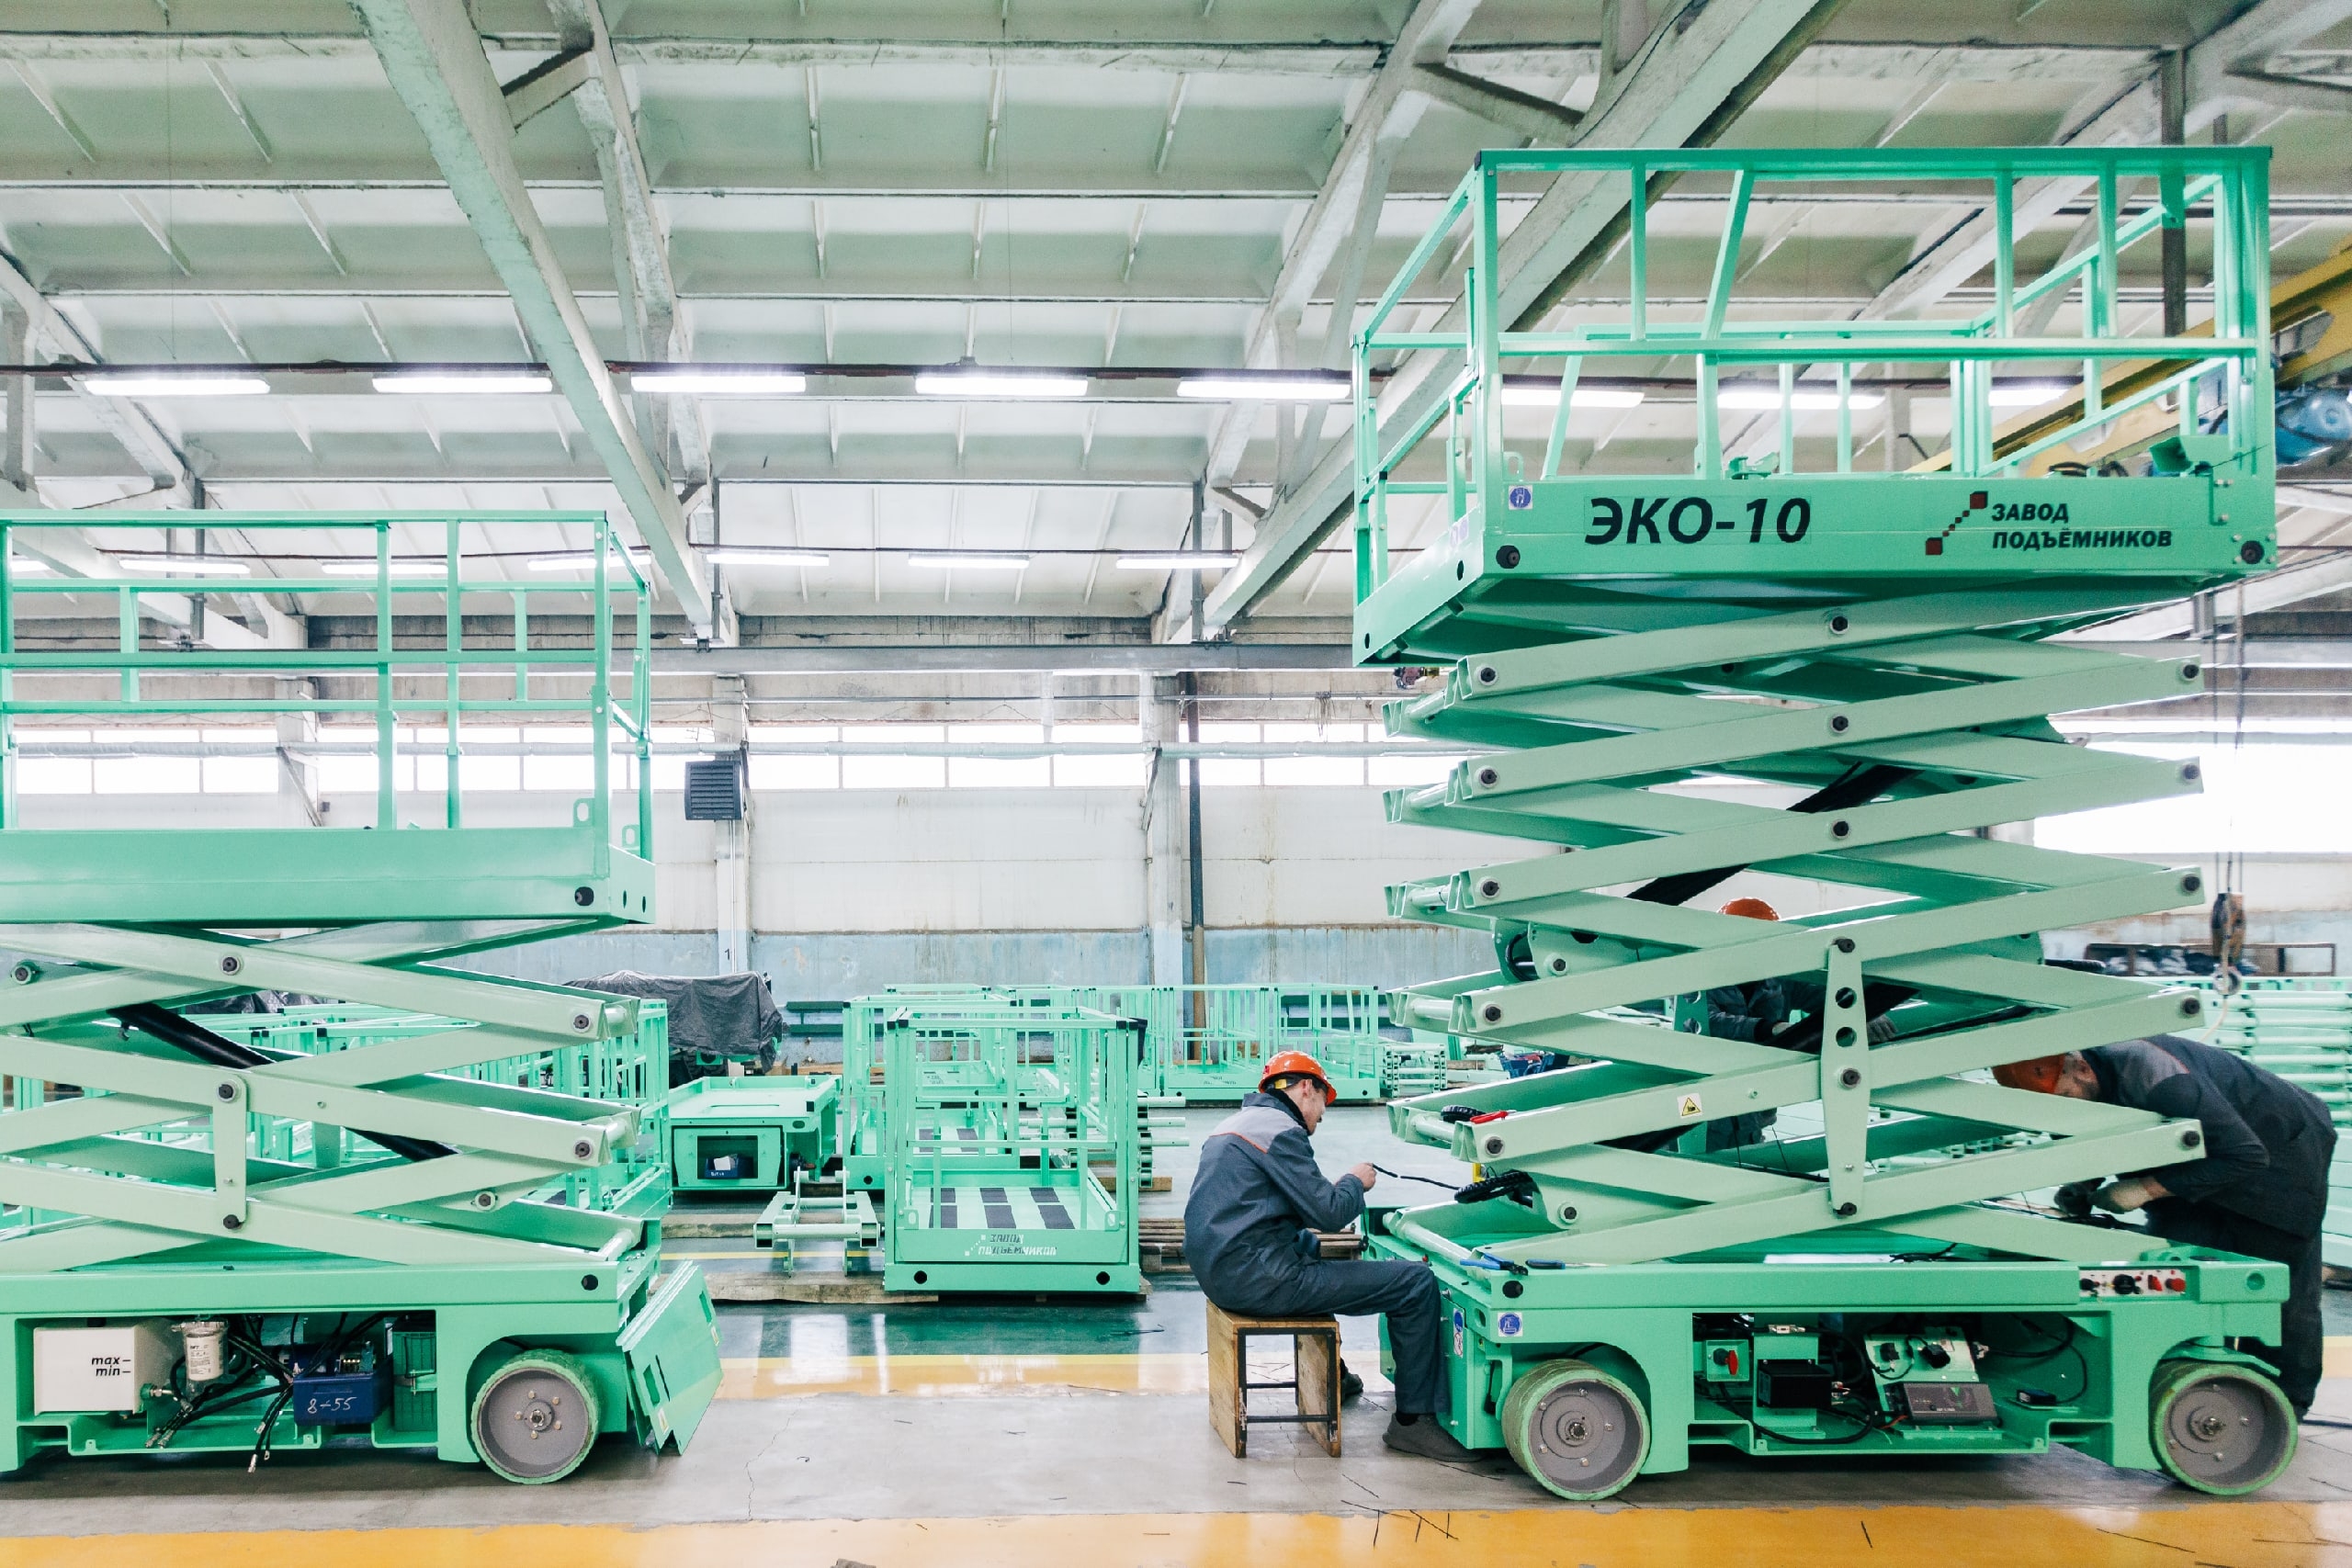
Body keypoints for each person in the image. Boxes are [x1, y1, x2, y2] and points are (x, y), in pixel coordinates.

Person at [1996, 1034, 2336, 1416]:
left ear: (2084, 1069)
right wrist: (2083, 1184)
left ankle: (2281, 1407)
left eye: (2067, 1099)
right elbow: (2095, 1135)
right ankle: (2202, 1392)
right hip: (2191, 1164)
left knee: (2276, 1290)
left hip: (2277, 1153)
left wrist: (2144, 1189)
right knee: (2180, 1281)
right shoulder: (2070, 1088)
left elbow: (2244, 1154)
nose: (2065, 1115)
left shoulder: (2159, 1077)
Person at [1182, 1049, 1468, 1460]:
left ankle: (1337, 1374)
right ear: (1306, 1088)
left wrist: (1324, 1194)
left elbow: (1274, 1203)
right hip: (1258, 1281)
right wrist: (1354, 1181)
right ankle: (1413, 1422)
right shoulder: (1282, 1131)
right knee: (1415, 1282)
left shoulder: (1236, 1125)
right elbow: (1330, 1215)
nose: (1322, 1115)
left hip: (1217, 1273)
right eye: (1323, 1102)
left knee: (1307, 1244)